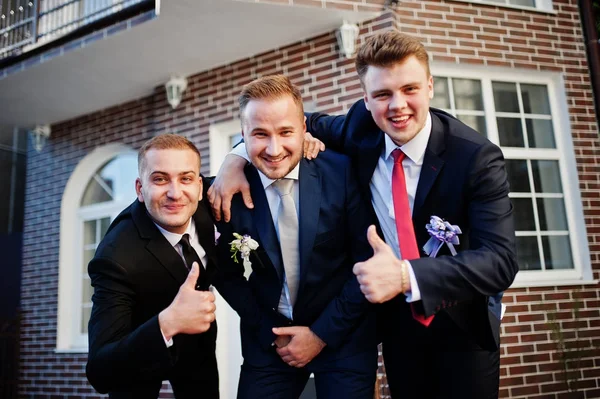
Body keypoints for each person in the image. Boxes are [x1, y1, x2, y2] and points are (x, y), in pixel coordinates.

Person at [208, 32, 519, 399]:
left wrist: (406, 275)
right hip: (397, 322)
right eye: (383, 94)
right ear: (366, 98)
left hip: (461, 322)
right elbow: (282, 122)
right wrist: (236, 157)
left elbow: (500, 261)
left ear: (430, 86)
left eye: (410, 89)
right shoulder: (360, 127)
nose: (397, 106)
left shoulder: (476, 158)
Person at [212, 75, 378, 399]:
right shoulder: (227, 191)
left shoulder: (341, 172)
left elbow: (366, 260)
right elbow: (226, 273)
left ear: (304, 128)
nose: (274, 150)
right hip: (271, 338)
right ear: (243, 135)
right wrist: (268, 331)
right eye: (260, 134)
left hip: (343, 332)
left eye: (286, 132)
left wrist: (320, 334)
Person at [86, 134, 219, 399]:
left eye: (186, 178)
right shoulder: (115, 257)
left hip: (198, 353)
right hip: (136, 354)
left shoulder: (207, 201)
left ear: (200, 185)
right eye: (160, 179)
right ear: (139, 189)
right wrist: (167, 323)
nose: (175, 192)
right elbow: (99, 370)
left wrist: (236, 161)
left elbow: (263, 153)